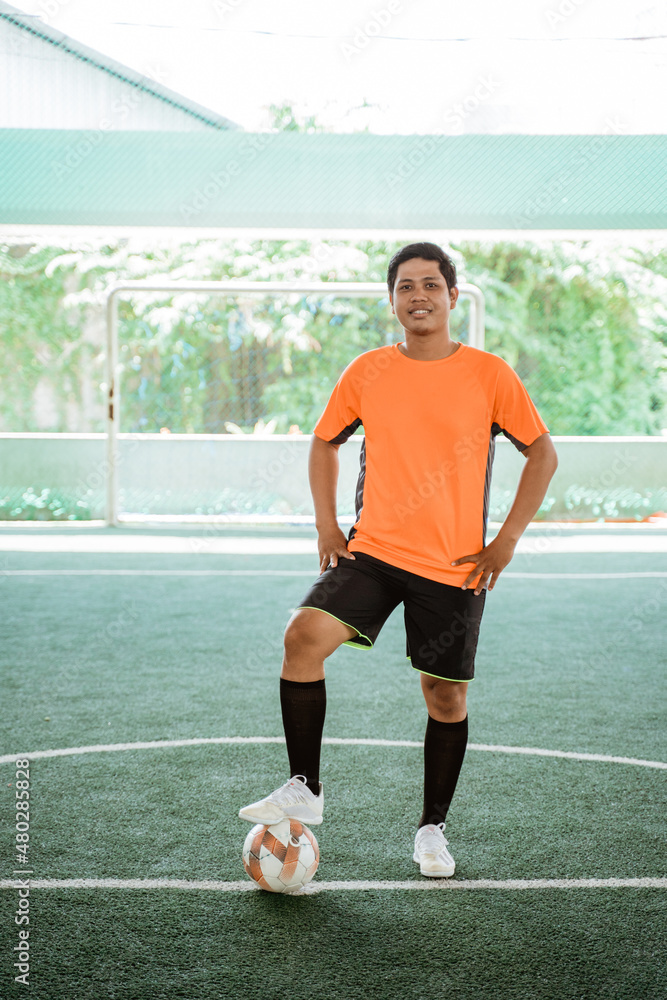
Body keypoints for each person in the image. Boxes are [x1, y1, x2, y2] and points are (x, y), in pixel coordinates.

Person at [239, 242, 558, 877]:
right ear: (392, 301)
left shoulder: (490, 374)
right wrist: (328, 524)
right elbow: (324, 442)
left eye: (431, 286)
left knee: (443, 697)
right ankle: (305, 785)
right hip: (375, 552)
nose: (419, 296)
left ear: (452, 298)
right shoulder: (367, 371)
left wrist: (507, 540)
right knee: (302, 637)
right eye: (406, 286)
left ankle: (432, 830)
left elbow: (542, 454)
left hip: (456, 565)